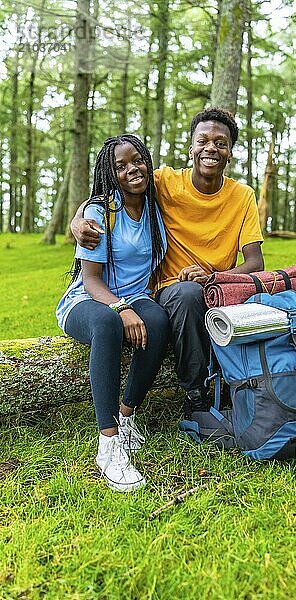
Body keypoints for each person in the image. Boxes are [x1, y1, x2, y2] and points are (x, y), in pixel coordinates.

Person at [71, 107, 264, 419]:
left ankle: (242, 382)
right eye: (203, 141)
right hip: (171, 289)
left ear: (230, 152)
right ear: (191, 149)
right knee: (187, 294)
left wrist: (215, 276)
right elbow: (111, 189)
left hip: (220, 285)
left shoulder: (242, 195)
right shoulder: (164, 182)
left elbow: (255, 262)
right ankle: (196, 395)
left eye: (220, 142)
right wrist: (77, 219)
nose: (211, 148)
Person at [57, 134, 169, 492]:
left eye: (136, 160)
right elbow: (90, 280)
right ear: (110, 174)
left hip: (135, 296)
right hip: (88, 301)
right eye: (120, 166)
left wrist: (136, 303)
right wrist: (120, 308)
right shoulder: (100, 212)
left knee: (158, 320)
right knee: (107, 323)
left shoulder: (155, 204)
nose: (131, 169)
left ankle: (127, 415)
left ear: (147, 161)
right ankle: (108, 444)